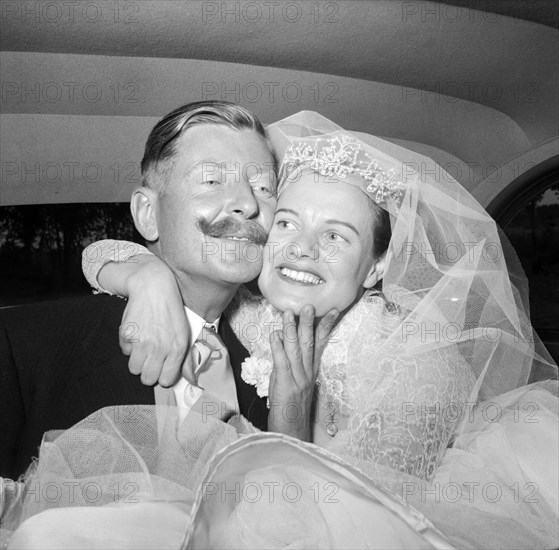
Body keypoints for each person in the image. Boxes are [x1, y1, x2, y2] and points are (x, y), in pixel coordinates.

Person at [4, 112, 558, 549]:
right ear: (147, 215)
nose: (246, 204)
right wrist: (144, 275)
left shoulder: (402, 366)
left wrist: (292, 418)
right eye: (212, 180)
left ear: (377, 267)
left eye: (264, 190)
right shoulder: (24, 344)